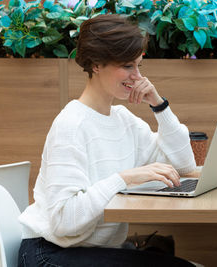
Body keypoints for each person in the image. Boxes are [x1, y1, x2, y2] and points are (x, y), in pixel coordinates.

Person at [17, 14, 197, 266]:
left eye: (138, 66)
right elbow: (63, 220)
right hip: (49, 252)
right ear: (96, 65)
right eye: (127, 66)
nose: (137, 77)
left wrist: (159, 105)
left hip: (91, 249)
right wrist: (124, 179)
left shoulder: (124, 120)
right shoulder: (71, 124)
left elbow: (183, 166)